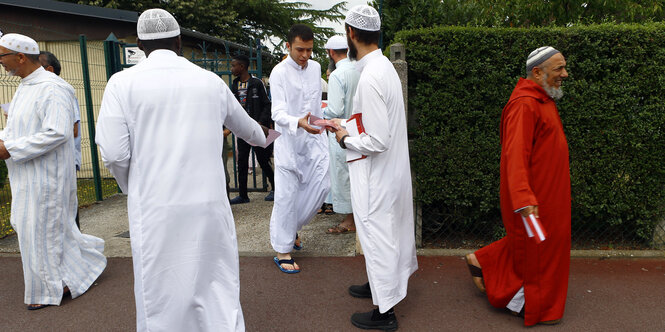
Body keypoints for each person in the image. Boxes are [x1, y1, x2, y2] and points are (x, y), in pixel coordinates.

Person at [95, 9, 267, 332]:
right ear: (178, 41)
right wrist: (270, 136)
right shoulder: (209, 81)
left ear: (139, 44)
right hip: (208, 206)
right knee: (216, 282)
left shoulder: (122, 83)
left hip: (156, 209)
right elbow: (249, 130)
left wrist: (133, 187)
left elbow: (115, 152)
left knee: (160, 291)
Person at [0, 33, 106, 310]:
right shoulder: (25, 86)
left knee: (42, 231)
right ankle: (74, 271)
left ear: (20, 56)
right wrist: (4, 139)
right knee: (27, 227)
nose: (1, 63)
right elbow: (19, 130)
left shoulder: (53, 87)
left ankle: (50, 290)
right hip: (27, 174)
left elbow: (58, 132)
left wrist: (9, 148)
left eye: (2, 56)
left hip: (47, 177)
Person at [465, 46, 570, 326]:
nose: (565, 74)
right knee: (537, 250)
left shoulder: (542, 100)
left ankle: (484, 260)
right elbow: (514, 156)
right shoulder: (525, 104)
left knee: (544, 247)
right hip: (533, 200)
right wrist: (524, 198)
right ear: (537, 72)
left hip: (550, 197)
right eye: (558, 68)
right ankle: (530, 305)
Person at [330, 6, 418, 330]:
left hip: (376, 174)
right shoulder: (383, 68)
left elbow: (378, 139)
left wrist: (343, 139)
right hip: (388, 172)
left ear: (351, 34)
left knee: (378, 234)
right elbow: (375, 126)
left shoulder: (370, 76)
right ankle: (379, 286)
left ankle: (385, 313)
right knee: (383, 234)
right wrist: (344, 126)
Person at [269, 24, 330, 273]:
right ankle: (282, 249)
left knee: (323, 185)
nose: (305, 55)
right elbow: (277, 113)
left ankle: (290, 228)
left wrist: (324, 122)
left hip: (314, 137)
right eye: (299, 50)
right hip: (289, 140)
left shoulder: (315, 68)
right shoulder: (278, 72)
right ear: (288, 46)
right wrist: (298, 123)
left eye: (309, 50)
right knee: (286, 196)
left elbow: (315, 104)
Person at [39, 50, 83, 229]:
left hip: (63, 160)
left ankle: (75, 247)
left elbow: (72, 129)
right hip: (51, 160)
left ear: (49, 70)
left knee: (67, 209)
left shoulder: (60, 90)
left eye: (38, 66)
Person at [323, 35, 359, 234]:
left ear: (330, 52)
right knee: (356, 177)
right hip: (359, 131)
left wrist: (322, 114)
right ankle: (355, 218)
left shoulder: (337, 75)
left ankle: (348, 221)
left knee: (343, 177)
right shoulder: (358, 70)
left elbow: (334, 110)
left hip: (341, 133)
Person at [229, 54, 275, 203]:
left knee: (263, 160)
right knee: (242, 162)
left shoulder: (256, 83)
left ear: (241, 67)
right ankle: (243, 195)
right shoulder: (235, 85)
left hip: (257, 129)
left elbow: (267, 104)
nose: (231, 69)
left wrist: (261, 124)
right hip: (242, 130)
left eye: (233, 65)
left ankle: (275, 188)